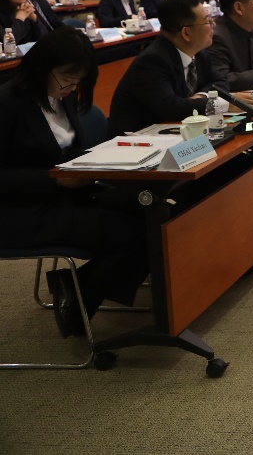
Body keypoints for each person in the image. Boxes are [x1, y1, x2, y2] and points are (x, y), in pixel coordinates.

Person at [0, 28, 148, 338]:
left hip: (69, 194)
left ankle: (75, 287)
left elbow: (68, 152)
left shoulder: (63, 97)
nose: (72, 87)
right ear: (42, 67)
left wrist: (109, 155)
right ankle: (80, 305)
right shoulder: (8, 103)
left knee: (152, 211)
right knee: (130, 230)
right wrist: (55, 181)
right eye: (67, 78)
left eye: (78, 80)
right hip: (23, 210)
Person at [108, 0, 222, 135]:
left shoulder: (199, 53)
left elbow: (219, 82)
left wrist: (201, 97)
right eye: (207, 21)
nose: (213, 25)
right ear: (186, 33)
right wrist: (218, 104)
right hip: (137, 140)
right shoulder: (152, 61)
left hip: (177, 132)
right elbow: (170, 108)